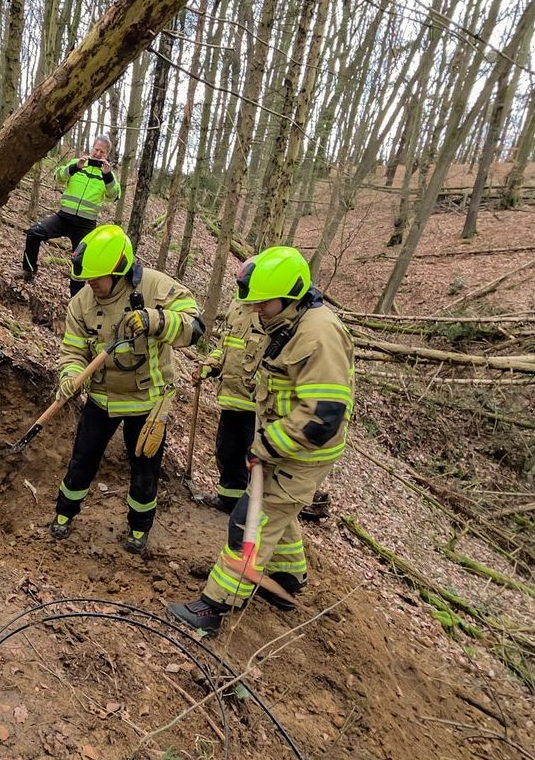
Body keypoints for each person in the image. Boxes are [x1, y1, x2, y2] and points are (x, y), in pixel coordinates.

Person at [168, 246, 354, 634]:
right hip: (289, 446)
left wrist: (268, 447)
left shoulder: (318, 335)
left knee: (249, 524)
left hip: (301, 454)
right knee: (279, 516)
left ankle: (215, 606)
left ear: (290, 295)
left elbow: (323, 414)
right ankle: (288, 580)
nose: (256, 311)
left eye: (263, 303)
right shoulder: (288, 323)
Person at [50, 225, 204, 554]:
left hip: (148, 401)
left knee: (145, 470)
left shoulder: (155, 286)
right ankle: (64, 513)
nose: (91, 286)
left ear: (119, 270)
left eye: (97, 279)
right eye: (87, 279)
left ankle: (139, 528)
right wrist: (70, 374)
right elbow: (73, 351)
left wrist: (156, 321)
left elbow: (195, 327)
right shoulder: (81, 303)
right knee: (82, 460)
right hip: (102, 399)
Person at [20, 135, 120, 294]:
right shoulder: (77, 164)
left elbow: (114, 196)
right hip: (63, 217)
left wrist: (107, 176)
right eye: (96, 149)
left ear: (107, 155)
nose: (98, 153)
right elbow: (58, 177)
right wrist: (75, 167)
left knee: (80, 263)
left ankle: (75, 298)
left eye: (102, 151)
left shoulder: (108, 175)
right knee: (34, 232)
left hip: (85, 226)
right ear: (91, 148)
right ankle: (29, 271)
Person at [192, 297, 263, 514]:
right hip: (230, 399)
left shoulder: (270, 311)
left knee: (257, 460)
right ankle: (228, 500)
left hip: (257, 407)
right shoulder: (236, 306)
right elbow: (225, 346)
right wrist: (209, 365)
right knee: (227, 451)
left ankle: (254, 509)